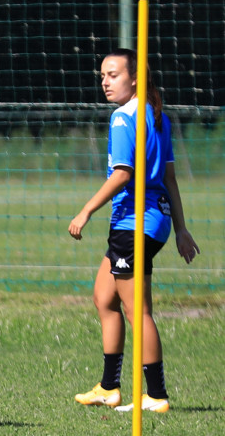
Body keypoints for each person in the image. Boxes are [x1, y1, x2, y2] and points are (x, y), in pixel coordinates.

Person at [68, 48, 200, 413]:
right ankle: (109, 387)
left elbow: (122, 174)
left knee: (136, 310)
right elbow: (169, 179)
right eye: (102, 76)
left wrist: (86, 210)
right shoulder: (157, 115)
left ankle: (156, 395)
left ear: (135, 78)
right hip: (154, 221)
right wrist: (181, 229)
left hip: (134, 223)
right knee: (104, 297)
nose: (105, 82)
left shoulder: (124, 118)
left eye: (113, 75)